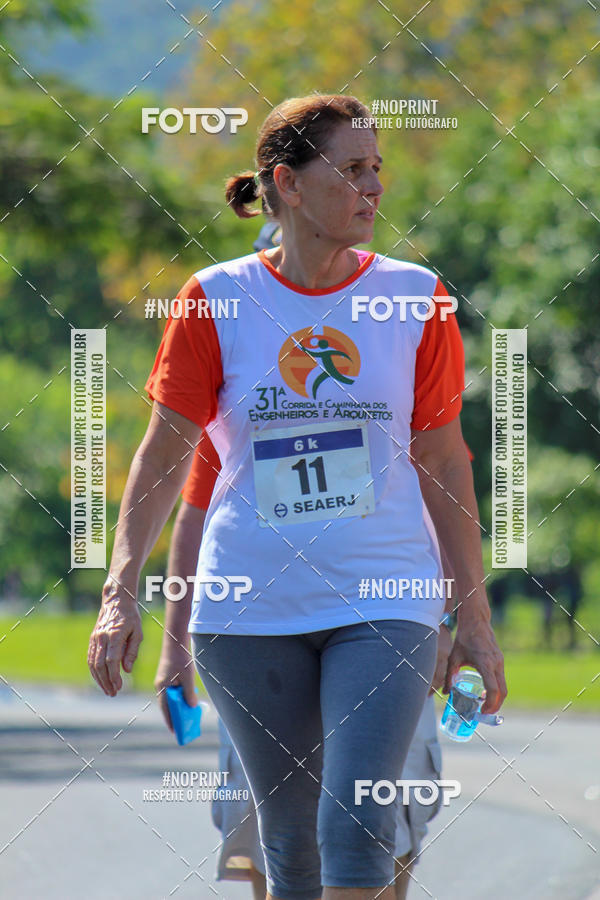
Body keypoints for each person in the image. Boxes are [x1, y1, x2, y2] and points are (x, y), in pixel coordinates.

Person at [88, 93, 506, 900]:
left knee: (356, 828)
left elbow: (446, 465)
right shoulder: (215, 298)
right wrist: (120, 594)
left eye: (377, 169)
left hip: (385, 598)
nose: (374, 188)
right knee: (288, 850)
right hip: (248, 609)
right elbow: (168, 459)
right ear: (285, 183)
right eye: (351, 170)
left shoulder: (418, 297)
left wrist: (476, 624)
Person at [154, 431, 458, 900]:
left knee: (379, 815)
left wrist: (446, 617)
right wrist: (175, 644)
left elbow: (440, 482)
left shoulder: (396, 371)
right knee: (272, 832)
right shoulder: (242, 383)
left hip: (385, 618)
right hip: (261, 627)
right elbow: (197, 509)